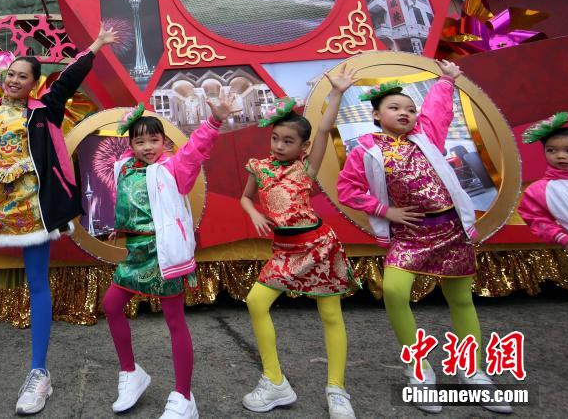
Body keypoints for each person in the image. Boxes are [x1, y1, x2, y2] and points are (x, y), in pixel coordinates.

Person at [0, 27, 117, 415]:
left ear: (33, 84)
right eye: (10, 73)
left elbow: (67, 80)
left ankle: (39, 373)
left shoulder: (43, 111)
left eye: (22, 76)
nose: (14, 80)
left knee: (36, 285)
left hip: (33, 209)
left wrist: (96, 45)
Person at [336, 60, 511, 414]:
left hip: (450, 230)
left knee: (461, 299)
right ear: (375, 116)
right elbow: (347, 189)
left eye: (410, 108)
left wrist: (447, 80)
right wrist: (386, 212)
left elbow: (437, 109)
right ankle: (419, 369)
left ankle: (472, 371)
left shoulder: (427, 136)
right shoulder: (365, 150)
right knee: (396, 292)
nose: (406, 113)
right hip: (410, 235)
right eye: (395, 107)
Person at [103, 96, 238, 419]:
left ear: (165, 141)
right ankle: (132, 373)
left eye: (154, 139)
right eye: (140, 141)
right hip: (136, 254)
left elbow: (194, 151)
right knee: (110, 305)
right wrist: (120, 229)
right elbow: (132, 203)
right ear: (131, 144)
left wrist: (214, 121)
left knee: (174, 320)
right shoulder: (124, 167)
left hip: (164, 256)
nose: (148, 146)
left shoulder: (173, 167)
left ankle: (183, 396)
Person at [238, 67, 357, 419]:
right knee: (256, 302)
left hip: (319, 247)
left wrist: (335, 93)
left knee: (330, 314)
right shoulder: (259, 167)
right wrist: (254, 213)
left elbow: (322, 128)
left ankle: (337, 389)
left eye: (287, 141)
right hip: (284, 251)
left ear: (302, 147)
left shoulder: (305, 168)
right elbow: (245, 198)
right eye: (275, 138)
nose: (278, 146)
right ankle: (275, 381)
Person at [517, 112, 568, 259]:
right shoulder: (538, 191)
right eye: (551, 150)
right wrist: (564, 239)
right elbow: (534, 217)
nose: (560, 156)